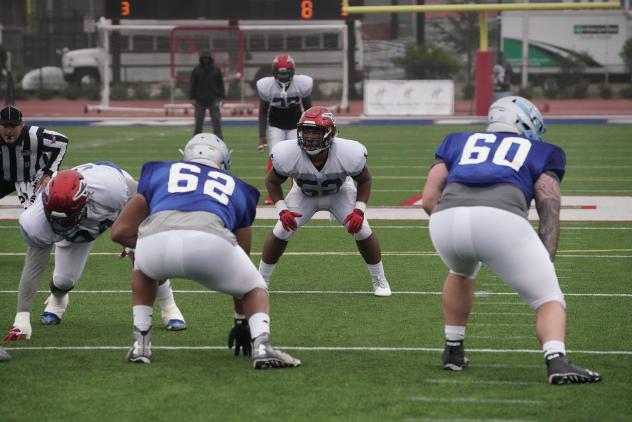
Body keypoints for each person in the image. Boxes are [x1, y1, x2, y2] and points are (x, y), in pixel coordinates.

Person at [421, 96, 601, 385]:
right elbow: (547, 202)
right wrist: (544, 256)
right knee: (548, 298)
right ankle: (557, 361)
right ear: (524, 123)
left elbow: (429, 198)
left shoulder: (457, 141)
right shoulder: (542, 151)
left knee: (460, 271)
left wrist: (458, 224)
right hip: (501, 219)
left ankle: (453, 351)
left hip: (445, 220)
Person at [110, 133, 300, 369]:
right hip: (211, 244)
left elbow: (119, 232)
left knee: (141, 265)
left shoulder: (159, 172)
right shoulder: (239, 188)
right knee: (256, 287)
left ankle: (141, 344)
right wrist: (241, 320)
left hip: (156, 242)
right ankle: (261, 346)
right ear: (224, 160)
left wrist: (146, 246)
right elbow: (242, 252)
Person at [3, 162, 187, 341]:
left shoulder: (112, 189)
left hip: (116, 208)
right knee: (63, 281)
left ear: (86, 199)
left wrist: (131, 235)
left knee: (145, 252)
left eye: (66, 220)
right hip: (81, 230)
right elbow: (34, 268)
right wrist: (22, 317)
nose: (60, 226)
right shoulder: (35, 221)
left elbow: (141, 199)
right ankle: (58, 300)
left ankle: (169, 307)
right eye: (56, 219)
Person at [259, 106, 392, 297]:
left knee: (362, 230)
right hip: (303, 194)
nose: (310, 137)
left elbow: (365, 179)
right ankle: (261, 280)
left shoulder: (348, 152)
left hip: (339, 193)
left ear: (330, 133)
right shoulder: (288, 153)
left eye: (315, 132)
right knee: (281, 230)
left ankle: (379, 279)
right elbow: (272, 181)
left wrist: (359, 210)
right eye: (306, 131)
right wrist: (282, 210)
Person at [256, 54, 313, 205]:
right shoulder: (266, 86)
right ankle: (271, 194)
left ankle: (297, 192)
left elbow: (309, 109)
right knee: (275, 157)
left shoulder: (302, 84)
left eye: (286, 73)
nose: (283, 77)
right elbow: (262, 112)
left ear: (293, 72)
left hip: (296, 124)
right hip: (276, 125)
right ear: (274, 72)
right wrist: (262, 135)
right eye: (280, 73)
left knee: (297, 156)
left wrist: (311, 127)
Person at [0, 105, 68, 209]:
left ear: (22, 125)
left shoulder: (35, 135)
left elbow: (62, 142)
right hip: (5, 176)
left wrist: (49, 172)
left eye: (13, 126)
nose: (9, 131)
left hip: (33, 176)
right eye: (5, 126)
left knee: (38, 211)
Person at [190, 51, 225, 138]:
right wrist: (192, 97)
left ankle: (219, 138)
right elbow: (192, 84)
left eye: (207, 58)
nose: (205, 60)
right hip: (199, 99)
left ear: (210, 59)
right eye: (204, 58)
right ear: (201, 59)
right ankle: (196, 138)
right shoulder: (196, 70)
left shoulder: (216, 69)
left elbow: (220, 83)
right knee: (198, 120)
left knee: (216, 120)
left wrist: (222, 96)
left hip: (214, 99)